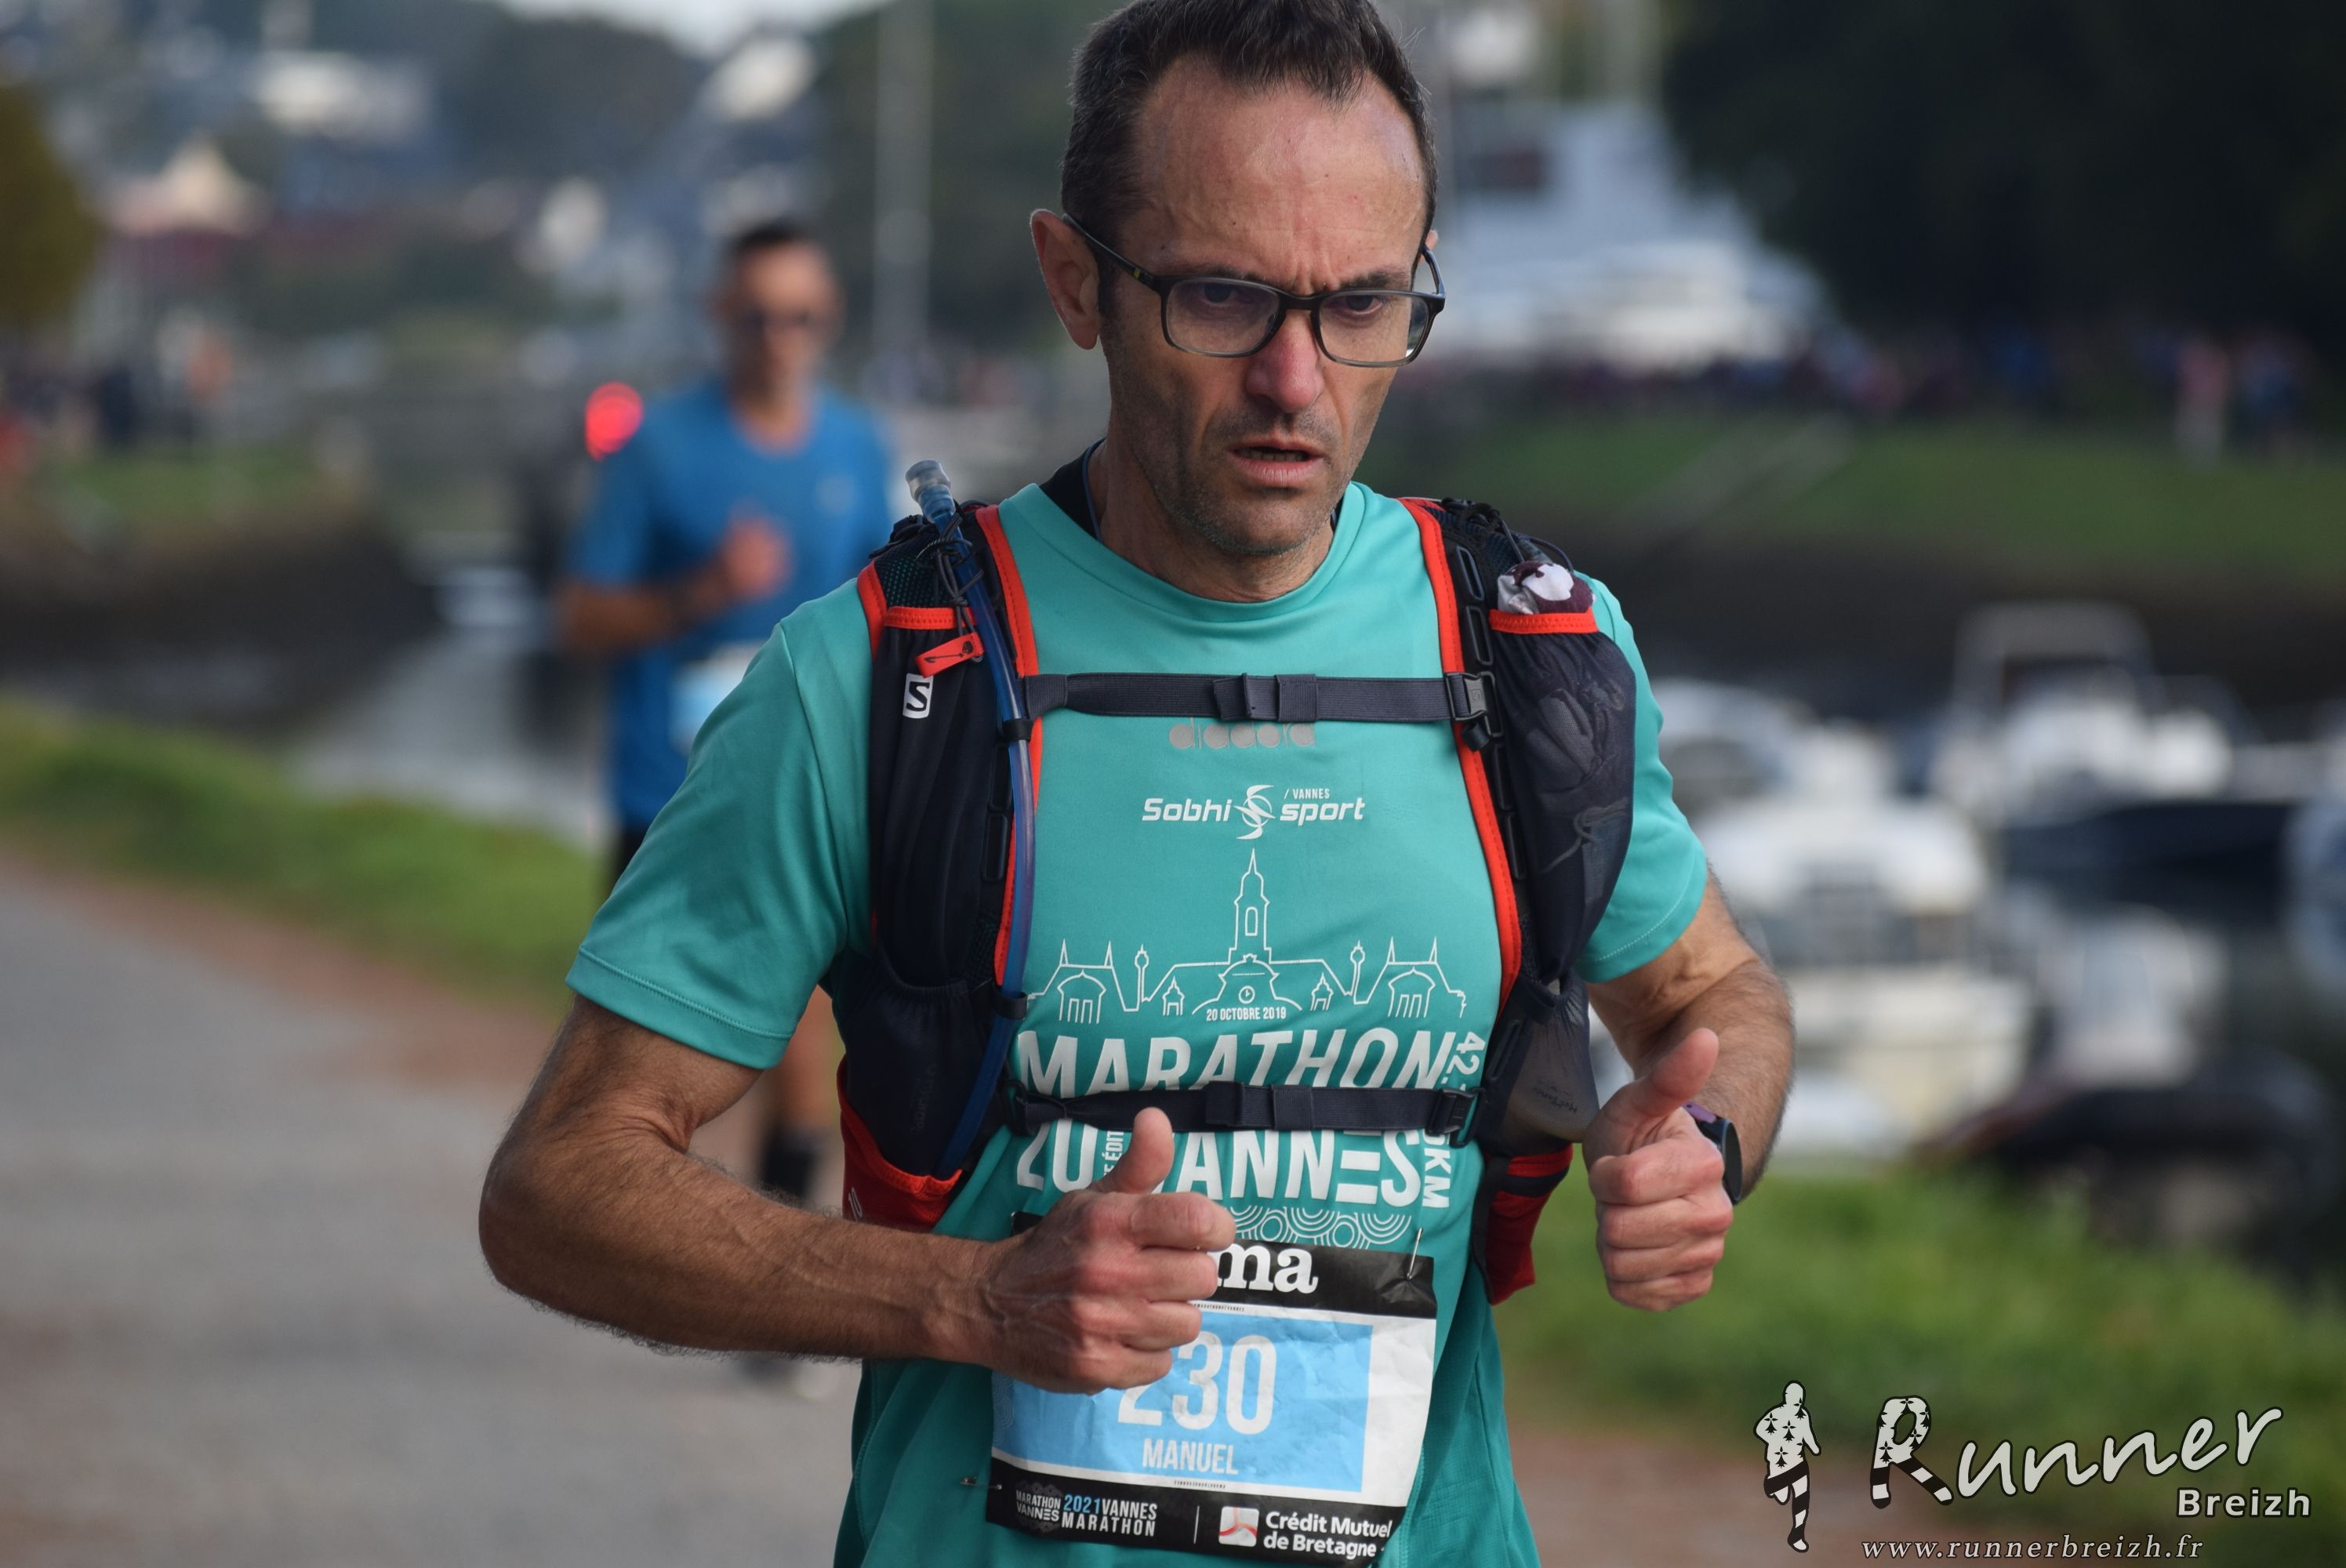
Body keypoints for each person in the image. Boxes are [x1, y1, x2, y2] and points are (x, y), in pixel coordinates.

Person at [483, 2, 1794, 1562]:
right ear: (1074, 282)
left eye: (1362, 302)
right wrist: (972, 1298)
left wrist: (1702, 1139)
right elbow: (560, 1184)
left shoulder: (1532, 660)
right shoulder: (874, 682)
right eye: (1223, 298)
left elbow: (1712, 994)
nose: (1296, 380)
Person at [553, 217, 896, 1278]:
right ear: (718, 316)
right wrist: (703, 592)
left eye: (799, 317)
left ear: (827, 320)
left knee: (804, 1061)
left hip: (807, 801)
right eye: (756, 317)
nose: (777, 338)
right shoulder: (657, 448)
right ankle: (614, 1246)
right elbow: (580, 618)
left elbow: (886, 616)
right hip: (668, 796)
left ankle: (768, 1296)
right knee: (645, 1079)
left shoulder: (856, 448)